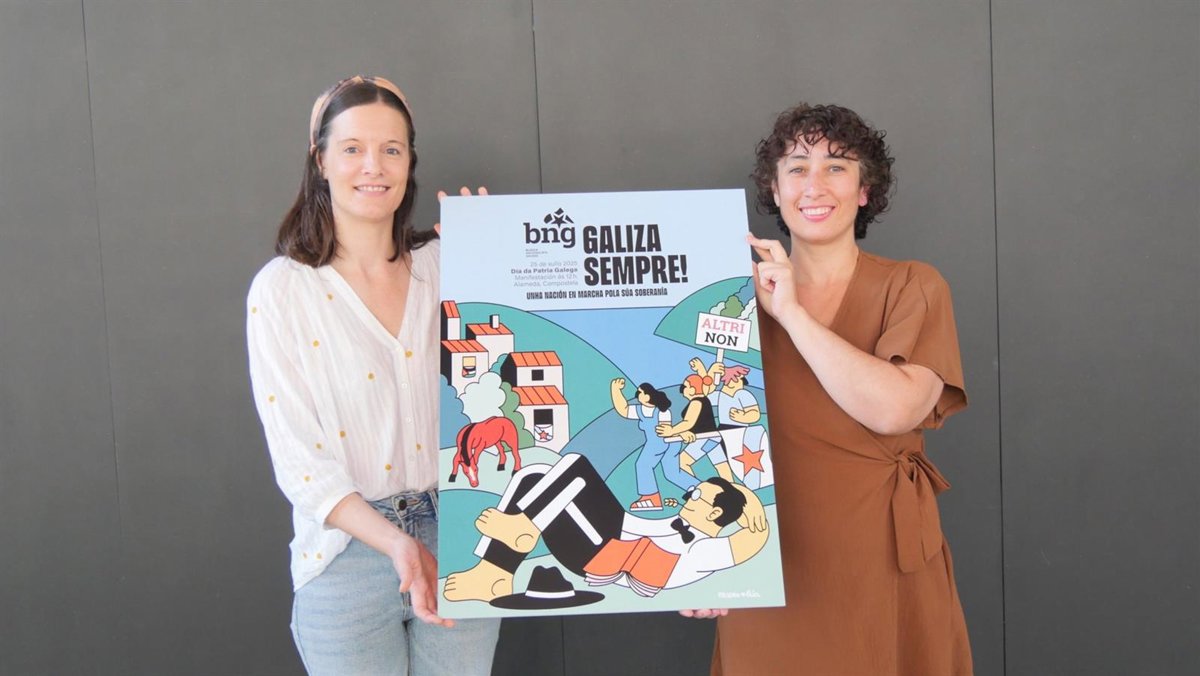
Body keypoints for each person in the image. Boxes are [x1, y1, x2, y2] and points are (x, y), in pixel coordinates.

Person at [705, 103, 972, 675]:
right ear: (774, 190)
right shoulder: (727, 303)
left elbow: (896, 409)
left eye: (836, 167)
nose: (814, 185)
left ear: (864, 190)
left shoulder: (913, 285)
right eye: (797, 168)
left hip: (881, 562)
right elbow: (691, 427)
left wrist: (792, 314)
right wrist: (694, 567)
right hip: (764, 558)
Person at [246, 76, 499, 675]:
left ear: (410, 162)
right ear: (320, 160)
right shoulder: (283, 290)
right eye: (352, 148)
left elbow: (502, 380)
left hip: (460, 539)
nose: (373, 166)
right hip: (347, 556)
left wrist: (498, 258)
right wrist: (394, 541)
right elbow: (299, 463)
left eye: (391, 149)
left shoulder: (449, 265)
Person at [442, 453, 769, 602]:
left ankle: (525, 525)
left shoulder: (706, 551)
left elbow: (753, 540)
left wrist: (750, 500)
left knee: (576, 467)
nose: (689, 495)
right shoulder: (676, 522)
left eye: (697, 495)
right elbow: (631, 524)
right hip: (609, 539)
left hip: (602, 560)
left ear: (714, 513)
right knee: (536, 476)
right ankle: (493, 577)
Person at [610, 378, 694, 510]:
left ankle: (651, 498)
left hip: (662, 442)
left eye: (640, 392)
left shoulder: (662, 411)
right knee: (672, 473)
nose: (637, 395)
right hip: (664, 442)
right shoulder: (640, 410)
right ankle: (698, 488)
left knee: (643, 465)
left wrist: (680, 434)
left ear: (648, 396)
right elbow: (623, 410)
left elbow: (665, 430)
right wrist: (616, 390)